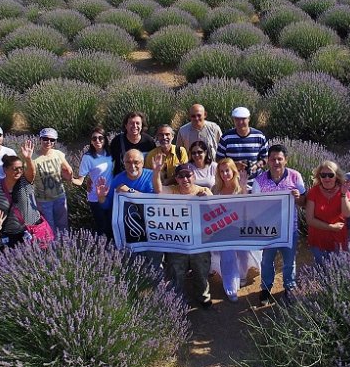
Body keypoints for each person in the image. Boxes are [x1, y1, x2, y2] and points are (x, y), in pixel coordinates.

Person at [153, 159, 213, 309]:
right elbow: (158, 190)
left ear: (194, 176)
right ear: (177, 178)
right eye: (181, 176)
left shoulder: (203, 191)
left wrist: (208, 202)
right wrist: (156, 172)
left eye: (188, 175)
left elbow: (216, 212)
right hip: (177, 242)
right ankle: (177, 300)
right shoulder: (171, 191)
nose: (185, 179)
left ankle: (203, 298)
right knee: (176, 273)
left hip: (199, 242)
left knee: (201, 272)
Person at [252, 144, 306, 305]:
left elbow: (304, 201)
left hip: (289, 229)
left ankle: (289, 287)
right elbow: (254, 206)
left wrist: (298, 198)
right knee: (267, 261)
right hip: (268, 231)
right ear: (268, 161)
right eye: (273, 159)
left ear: (286, 160)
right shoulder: (259, 181)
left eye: (279, 159)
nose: (276, 162)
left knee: (289, 261)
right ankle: (266, 288)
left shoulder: (295, 176)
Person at [211, 158, 257, 302]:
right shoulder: (216, 189)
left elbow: (248, 208)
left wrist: (243, 187)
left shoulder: (241, 187)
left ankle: (242, 276)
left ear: (233, 171)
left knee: (244, 255)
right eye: (222, 171)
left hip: (241, 229)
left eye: (227, 170)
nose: (225, 174)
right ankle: (230, 287)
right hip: (223, 230)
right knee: (228, 258)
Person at [0, 140, 41, 248]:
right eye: (15, 169)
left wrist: (28, 158)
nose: (19, 171)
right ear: (5, 170)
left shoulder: (24, 182)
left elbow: (32, 173)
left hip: (30, 229)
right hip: (9, 232)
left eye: (21, 168)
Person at [305, 160, 350, 265]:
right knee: (321, 271)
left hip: (338, 240)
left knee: (338, 273)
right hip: (318, 240)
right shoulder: (314, 192)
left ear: (336, 176)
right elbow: (309, 219)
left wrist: (343, 195)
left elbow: (347, 213)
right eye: (323, 175)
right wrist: (331, 227)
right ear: (319, 176)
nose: (327, 178)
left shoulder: (343, 191)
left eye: (330, 175)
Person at [72, 127, 115, 239]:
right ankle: (104, 252)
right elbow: (80, 180)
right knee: (102, 226)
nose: (97, 141)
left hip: (111, 195)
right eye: (94, 138)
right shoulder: (88, 157)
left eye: (100, 138)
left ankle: (114, 251)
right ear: (91, 141)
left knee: (112, 225)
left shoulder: (110, 153)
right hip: (95, 197)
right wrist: (70, 178)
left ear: (105, 139)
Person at [32, 127, 73, 232]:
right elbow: (29, 178)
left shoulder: (58, 154)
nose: (48, 142)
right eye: (45, 139)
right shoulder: (33, 158)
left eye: (52, 140)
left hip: (59, 196)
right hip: (43, 200)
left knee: (63, 225)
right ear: (40, 139)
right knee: (49, 227)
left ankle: (64, 245)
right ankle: (52, 247)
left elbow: (68, 170)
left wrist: (69, 174)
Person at [216, 106, 269, 185]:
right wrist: (234, 165)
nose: (240, 122)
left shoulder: (259, 136)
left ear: (249, 119)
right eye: (237, 119)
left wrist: (256, 166)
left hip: (256, 183)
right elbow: (219, 159)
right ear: (233, 120)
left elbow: (265, 157)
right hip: (232, 183)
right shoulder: (226, 138)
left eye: (243, 119)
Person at [109, 111, 156, 176]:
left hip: (142, 180)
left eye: (138, 123)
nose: (135, 126)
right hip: (121, 181)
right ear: (126, 125)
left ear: (142, 125)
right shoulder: (117, 141)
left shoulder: (149, 142)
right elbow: (108, 161)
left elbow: (153, 163)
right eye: (131, 123)